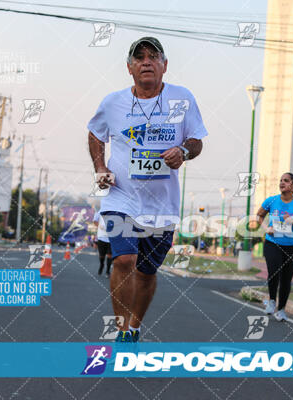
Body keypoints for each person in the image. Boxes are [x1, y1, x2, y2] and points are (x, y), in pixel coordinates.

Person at [87, 37, 207, 343]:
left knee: (146, 272)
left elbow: (196, 140)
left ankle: (135, 326)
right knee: (123, 260)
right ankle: (121, 329)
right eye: (139, 57)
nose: (146, 61)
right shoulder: (112, 102)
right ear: (129, 68)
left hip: (162, 204)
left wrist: (183, 151)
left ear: (164, 66)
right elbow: (95, 133)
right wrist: (101, 168)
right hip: (121, 197)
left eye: (153, 56)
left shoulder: (183, 98)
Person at [255, 172, 293, 322]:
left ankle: (282, 310)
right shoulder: (271, 201)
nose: (282, 183)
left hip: (291, 246)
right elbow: (259, 216)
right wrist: (267, 228)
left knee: (286, 279)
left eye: (286, 181)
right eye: (280, 180)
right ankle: (272, 301)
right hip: (272, 243)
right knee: (274, 271)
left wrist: (291, 221)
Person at [93, 211, 112, 277]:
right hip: (101, 238)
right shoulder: (99, 212)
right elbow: (95, 221)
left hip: (111, 238)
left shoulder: (114, 212)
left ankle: (108, 271)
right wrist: (100, 226)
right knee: (102, 256)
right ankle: (102, 265)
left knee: (110, 255)